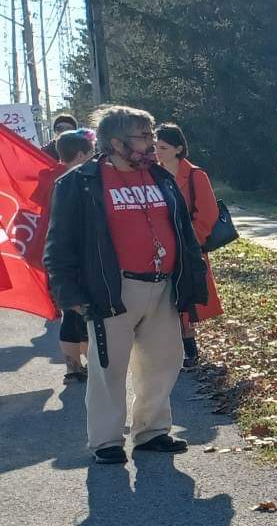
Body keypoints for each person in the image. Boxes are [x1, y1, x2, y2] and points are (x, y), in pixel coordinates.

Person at [43, 105, 207, 464]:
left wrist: (192, 283)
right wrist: (69, 295)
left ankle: (151, 432)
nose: (152, 144)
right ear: (115, 142)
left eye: (152, 135)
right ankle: (106, 441)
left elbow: (184, 234)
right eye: (144, 137)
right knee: (108, 368)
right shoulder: (79, 183)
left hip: (164, 287)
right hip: (111, 290)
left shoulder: (161, 178)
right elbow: (58, 246)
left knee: (164, 361)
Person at [152, 124, 224, 370]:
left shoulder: (195, 175)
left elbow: (208, 212)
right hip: (160, 247)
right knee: (165, 298)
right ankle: (174, 349)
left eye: (163, 147)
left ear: (178, 148)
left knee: (186, 296)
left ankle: (190, 351)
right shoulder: (152, 173)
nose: (157, 152)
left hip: (189, 246)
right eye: (155, 147)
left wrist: (190, 240)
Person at [49, 129, 95, 383]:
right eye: (91, 152)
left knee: (69, 313)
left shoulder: (46, 175)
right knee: (87, 312)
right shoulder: (79, 179)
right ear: (80, 154)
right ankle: (93, 365)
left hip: (54, 255)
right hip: (79, 254)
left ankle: (72, 368)